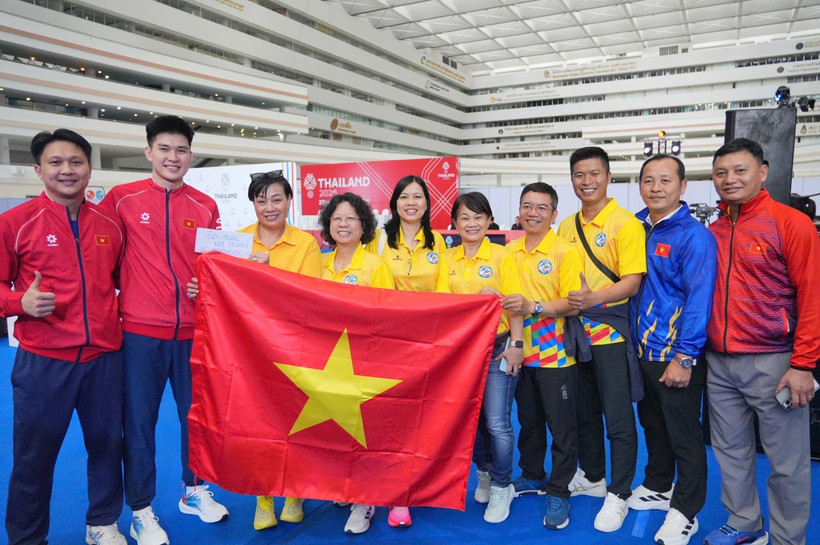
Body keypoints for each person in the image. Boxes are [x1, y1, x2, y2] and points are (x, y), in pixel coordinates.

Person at [99, 115, 226, 545]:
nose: (174, 157)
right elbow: (101, 259)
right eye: (165, 149)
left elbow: (215, 267)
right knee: (139, 425)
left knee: (197, 419)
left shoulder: (206, 205)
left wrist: (202, 282)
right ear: (149, 151)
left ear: (191, 154)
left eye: (182, 150)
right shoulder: (121, 199)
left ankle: (194, 490)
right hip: (139, 333)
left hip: (194, 332)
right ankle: (141, 509)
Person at [1, 129, 126, 545]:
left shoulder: (110, 223)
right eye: (56, 163)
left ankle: (102, 524)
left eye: (76, 161)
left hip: (104, 359)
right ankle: (27, 538)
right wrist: (19, 303)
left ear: (90, 168)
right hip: (43, 361)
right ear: (39, 170)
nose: (67, 170)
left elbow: (122, 280)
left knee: (108, 448)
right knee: (33, 460)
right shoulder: (14, 223)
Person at [703, 138, 820, 545]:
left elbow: (812, 296)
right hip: (719, 362)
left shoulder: (790, 223)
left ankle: (788, 538)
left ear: (763, 172)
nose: (729, 179)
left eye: (740, 170)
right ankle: (745, 524)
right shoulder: (714, 230)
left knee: (787, 463)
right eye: (721, 173)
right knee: (730, 452)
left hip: (774, 362)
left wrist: (803, 363)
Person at [556, 146, 645, 534]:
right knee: (584, 413)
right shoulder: (565, 226)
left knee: (618, 417)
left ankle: (620, 491)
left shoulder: (626, 224)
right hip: (573, 334)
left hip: (609, 331)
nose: (587, 181)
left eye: (594, 174)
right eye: (579, 175)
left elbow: (632, 280)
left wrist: (594, 298)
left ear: (609, 177)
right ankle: (593, 477)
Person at [629, 155, 716, 545]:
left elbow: (700, 300)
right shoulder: (637, 228)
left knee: (684, 436)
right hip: (642, 350)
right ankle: (658, 485)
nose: (656, 187)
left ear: (683, 188)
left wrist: (685, 356)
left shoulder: (694, 236)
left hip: (675, 353)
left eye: (666, 180)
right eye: (649, 180)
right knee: (653, 425)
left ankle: (685, 512)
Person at [361, 175, 449, 530]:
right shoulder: (377, 240)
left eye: (418, 197)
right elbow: (365, 287)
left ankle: (402, 495)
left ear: (427, 204)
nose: (411, 202)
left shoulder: (438, 241)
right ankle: (367, 490)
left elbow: (445, 292)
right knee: (380, 418)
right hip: (384, 342)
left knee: (415, 421)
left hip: (425, 343)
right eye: (404, 197)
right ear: (394, 202)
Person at [238, 170, 321, 530]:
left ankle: (294, 490)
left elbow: (311, 296)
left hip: (294, 346)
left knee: (294, 421)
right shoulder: (236, 241)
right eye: (261, 200)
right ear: (252, 203)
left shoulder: (305, 244)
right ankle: (263, 496)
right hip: (249, 346)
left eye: (277, 199)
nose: (269, 207)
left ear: (289, 202)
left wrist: (271, 272)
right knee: (257, 420)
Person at [500, 182, 582, 530]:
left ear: (554, 214)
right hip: (521, 352)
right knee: (528, 421)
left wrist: (535, 306)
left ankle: (560, 491)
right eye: (527, 206)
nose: (533, 213)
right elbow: (509, 302)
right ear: (519, 211)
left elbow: (573, 302)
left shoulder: (565, 250)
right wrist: (516, 346)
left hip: (557, 354)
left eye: (541, 207)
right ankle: (532, 474)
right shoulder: (509, 252)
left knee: (561, 426)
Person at [317, 192, 395, 535]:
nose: (343, 224)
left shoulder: (375, 267)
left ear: (364, 224)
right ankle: (344, 488)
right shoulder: (318, 264)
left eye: (351, 218)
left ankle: (366, 500)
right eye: (337, 219)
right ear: (327, 225)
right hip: (324, 361)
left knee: (363, 433)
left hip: (364, 361)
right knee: (334, 430)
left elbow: (389, 317)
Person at [446, 193, 524, 524]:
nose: (472, 223)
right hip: (462, 352)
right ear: (455, 223)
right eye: (465, 217)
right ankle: (485, 472)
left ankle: (502, 486)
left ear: (489, 220)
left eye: (479, 217)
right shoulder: (446, 258)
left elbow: (516, 303)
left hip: (499, 346)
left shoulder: (504, 256)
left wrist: (517, 343)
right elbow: (440, 304)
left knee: (497, 422)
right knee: (471, 422)